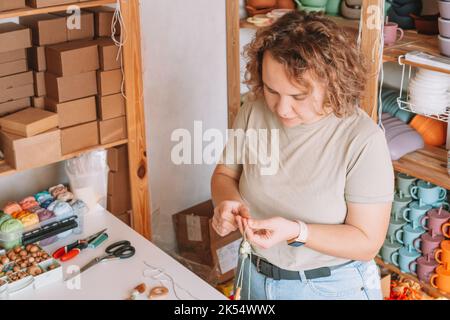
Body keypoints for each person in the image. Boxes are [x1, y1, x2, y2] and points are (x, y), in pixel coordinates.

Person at [211, 11, 394, 300]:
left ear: (334, 85)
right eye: (272, 90)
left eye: (298, 97)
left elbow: (366, 242)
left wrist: (297, 231)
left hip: (328, 287)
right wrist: (227, 202)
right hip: (254, 274)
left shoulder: (363, 140)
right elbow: (225, 174)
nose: (281, 109)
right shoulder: (254, 110)